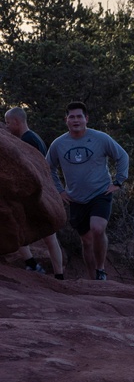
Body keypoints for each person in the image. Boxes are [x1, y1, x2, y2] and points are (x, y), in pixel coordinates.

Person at [46, 101, 129, 281]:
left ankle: (101, 269)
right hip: (76, 199)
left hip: (100, 193)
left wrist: (119, 182)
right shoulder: (58, 144)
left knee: (97, 229)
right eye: (72, 117)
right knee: (86, 241)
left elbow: (122, 156)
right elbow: (48, 167)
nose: (76, 120)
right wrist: (59, 190)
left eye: (79, 116)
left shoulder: (101, 138)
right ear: (66, 120)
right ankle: (92, 280)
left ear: (86, 119)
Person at [4, 107, 65, 279]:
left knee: (20, 229)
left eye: (8, 123)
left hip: (35, 195)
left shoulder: (27, 140)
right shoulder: (34, 137)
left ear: (16, 121)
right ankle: (57, 274)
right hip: (44, 193)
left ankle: (33, 265)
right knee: (50, 237)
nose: (7, 127)